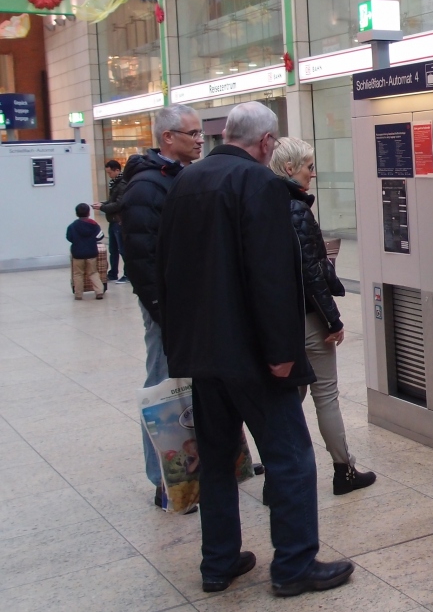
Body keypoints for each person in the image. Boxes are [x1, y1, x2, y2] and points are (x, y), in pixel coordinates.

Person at [157, 102, 353, 597]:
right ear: (266, 143)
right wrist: (282, 351)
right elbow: (271, 275)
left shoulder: (185, 181)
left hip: (203, 354)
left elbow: (166, 269)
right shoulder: (259, 183)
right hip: (253, 354)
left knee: (217, 458)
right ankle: (294, 565)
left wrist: (180, 343)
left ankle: (218, 562)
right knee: (291, 458)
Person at [269, 137, 376, 495]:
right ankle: (344, 470)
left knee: (289, 398)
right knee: (326, 394)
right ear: (289, 168)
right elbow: (311, 272)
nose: (313, 174)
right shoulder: (297, 209)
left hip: (281, 321)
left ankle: (276, 476)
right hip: (308, 318)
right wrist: (333, 320)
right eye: (308, 167)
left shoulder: (263, 203)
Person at [116, 103, 203, 509]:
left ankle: (204, 466)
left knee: (193, 386)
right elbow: (140, 257)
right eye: (192, 133)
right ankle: (165, 480)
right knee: (163, 389)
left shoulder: (181, 176)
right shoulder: (146, 187)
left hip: (189, 303)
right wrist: (160, 310)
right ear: (168, 137)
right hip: (166, 309)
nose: (200, 140)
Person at [94, 159, 127, 283]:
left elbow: (118, 204)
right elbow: (112, 201)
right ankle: (113, 273)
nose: (109, 175)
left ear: (117, 170)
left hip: (119, 221)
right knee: (113, 249)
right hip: (113, 221)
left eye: (110, 172)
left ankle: (127, 274)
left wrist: (102, 207)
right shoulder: (114, 183)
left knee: (122, 249)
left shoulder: (122, 184)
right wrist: (102, 204)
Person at [66, 203, 104, 300]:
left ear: (76, 213)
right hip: (91, 253)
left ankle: (78, 294)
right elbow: (100, 236)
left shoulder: (72, 226)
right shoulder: (94, 225)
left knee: (78, 274)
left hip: (77, 253)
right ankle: (99, 291)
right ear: (89, 213)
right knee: (93, 273)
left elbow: (69, 238)